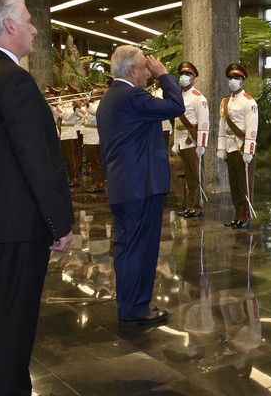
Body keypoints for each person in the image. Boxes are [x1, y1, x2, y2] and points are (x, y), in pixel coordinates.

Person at [0, 0, 75, 394]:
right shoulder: (13, 79)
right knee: (14, 324)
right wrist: (60, 223)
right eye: (28, 19)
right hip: (18, 224)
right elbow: (37, 160)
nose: (35, 28)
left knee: (0, 319)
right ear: (8, 26)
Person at [96, 45, 185, 326]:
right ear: (132, 70)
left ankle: (130, 304)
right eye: (144, 68)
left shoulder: (110, 98)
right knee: (140, 248)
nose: (148, 72)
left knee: (126, 247)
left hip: (124, 184)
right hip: (140, 186)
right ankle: (136, 308)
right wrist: (164, 75)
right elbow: (175, 107)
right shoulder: (131, 95)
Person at [217, 63, 259, 230]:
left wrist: (249, 150)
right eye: (231, 78)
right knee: (234, 185)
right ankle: (237, 215)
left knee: (245, 185)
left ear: (243, 81)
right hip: (230, 147)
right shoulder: (225, 101)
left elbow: (252, 128)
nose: (233, 80)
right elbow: (222, 125)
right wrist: (221, 147)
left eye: (237, 78)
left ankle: (245, 217)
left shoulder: (249, 103)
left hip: (242, 148)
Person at [172, 62, 209, 218]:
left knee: (196, 175)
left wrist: (201, 144)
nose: (184, 77)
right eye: (182, 74)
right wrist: (175, 141)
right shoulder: (179, 96)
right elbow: (176, 120)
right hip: (181, 139)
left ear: (194, 78)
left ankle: (197, 206)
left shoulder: (199, 98)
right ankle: (191, 205)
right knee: (188, 175)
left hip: (192, 141)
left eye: (188, 75)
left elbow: (204, 123)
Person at [58, 83, 85, 188]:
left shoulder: (74, 105)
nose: (65, 93)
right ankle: (70, 178)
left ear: (72, 93)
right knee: (66, 158)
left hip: (70, 132)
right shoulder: (64, 104)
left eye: (68, 92)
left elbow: (65, 116)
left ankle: (74, 179)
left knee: (72, 158)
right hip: (64, 132)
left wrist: (57, 108)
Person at [82, 87, 106, 193]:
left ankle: (100, 184)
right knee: (92, 162)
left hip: (95, 136)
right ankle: (95, 182)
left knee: (97, 162)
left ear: (100, 94)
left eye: (94, 93)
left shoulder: (101, 104)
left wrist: (87, 105)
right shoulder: (92, 104)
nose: (92, 94)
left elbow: (94, 116)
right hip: (88, 136)